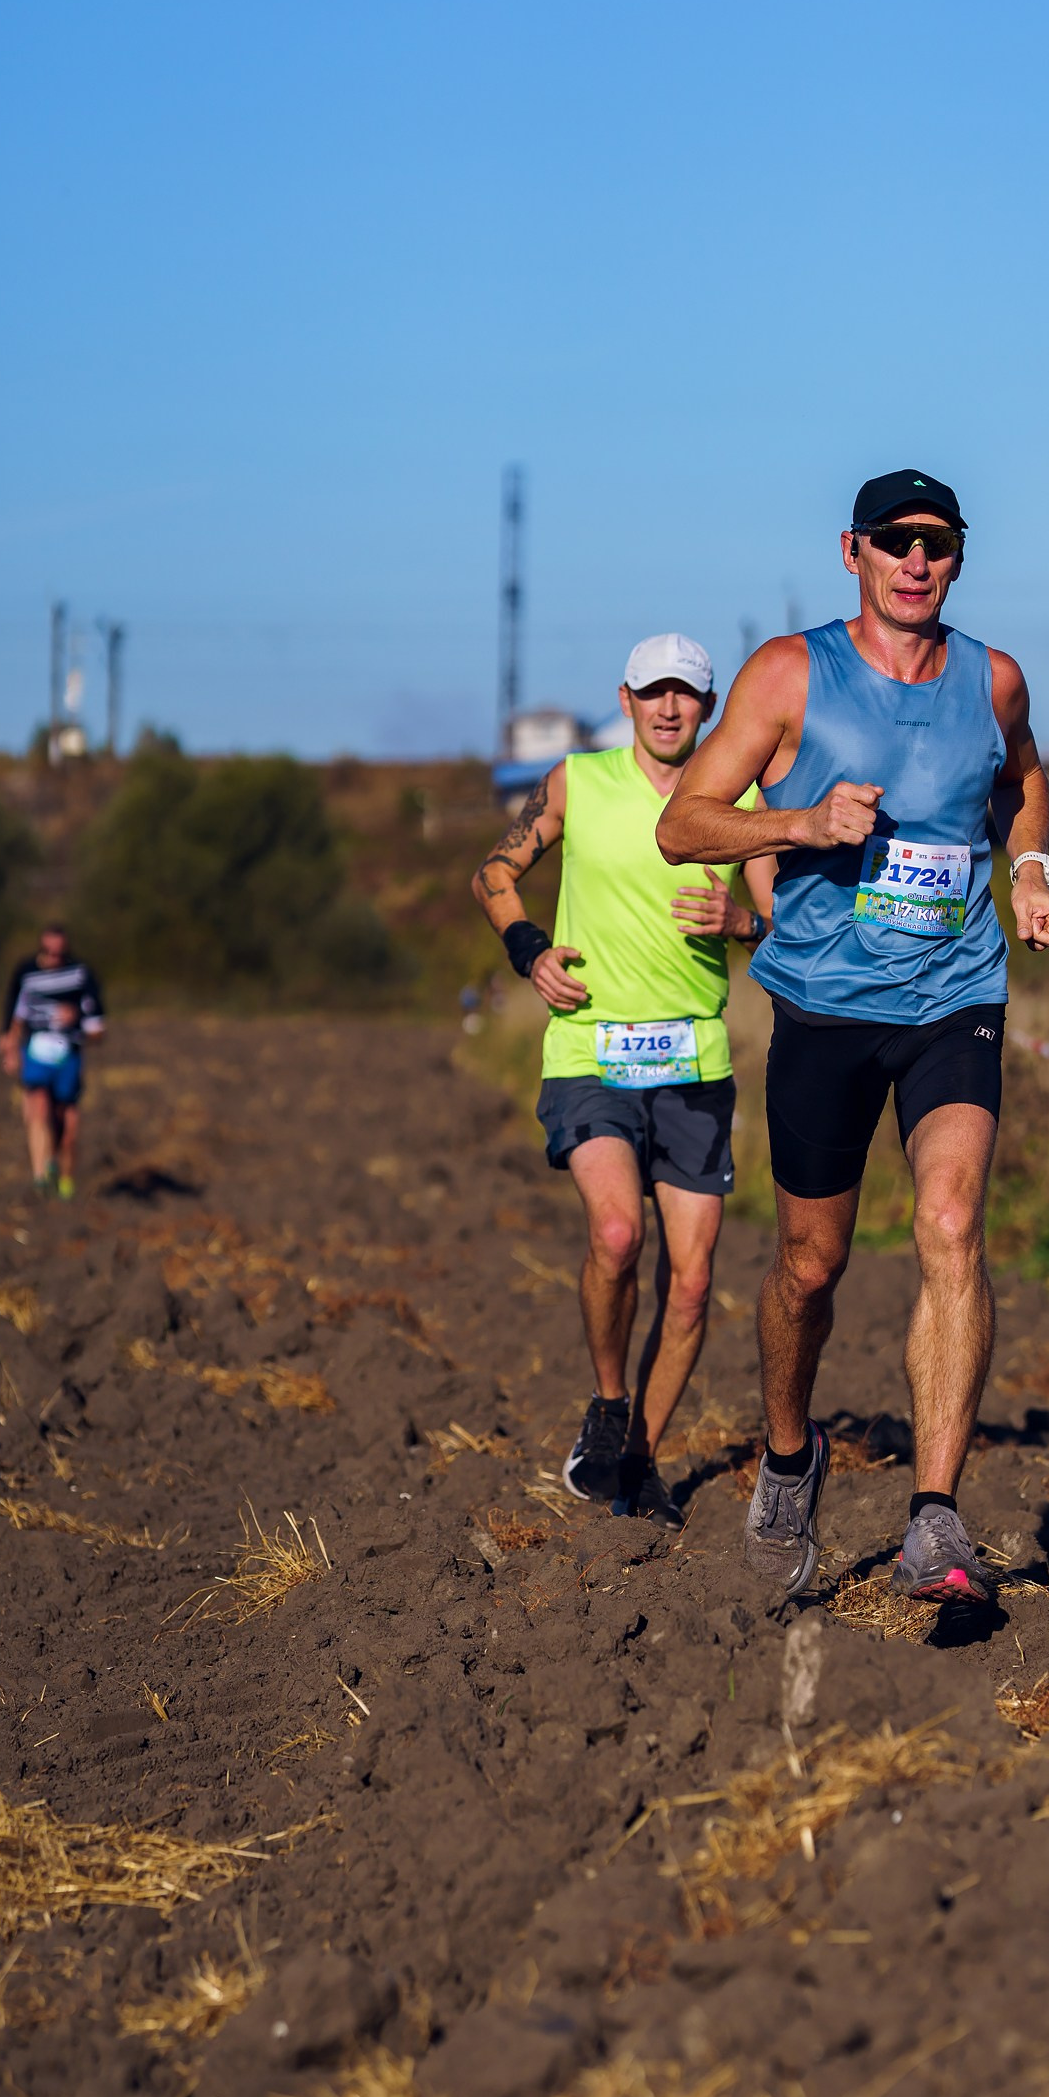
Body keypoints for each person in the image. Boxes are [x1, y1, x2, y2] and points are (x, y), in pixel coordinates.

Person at [660, 468, 1049, 1606]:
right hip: (824, 1006)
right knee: (809, 1265)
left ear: (957, 557)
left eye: (936, 543)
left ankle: (934, 1521)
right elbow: (680, 824)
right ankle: (789, 1455)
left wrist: (1028, 874)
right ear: (853, 552)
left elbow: (1023, 783)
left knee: (949, 1225)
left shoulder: (992, 680)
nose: (914, 561)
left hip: (953, 995)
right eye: (893, 541)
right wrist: (802, 820)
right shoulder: (790, 673)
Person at [472, 634, 774, 1525]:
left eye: (686, 695)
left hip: (694, 1060)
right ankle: (609, 1402)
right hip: (589, 1050)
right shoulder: (577, 780)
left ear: (709, 707)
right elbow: (493, 872)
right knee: (614, 1235)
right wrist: (528, 950)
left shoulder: (742, 798)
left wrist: (740, 920)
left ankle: (638, 1459)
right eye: (653, 693)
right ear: (628, 698)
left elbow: (784, 921)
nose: (669, 709)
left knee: (691, 1282)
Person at [0, 924, 107, 1199]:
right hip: (35, 1051)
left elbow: (98, 1030)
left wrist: (77, 1019)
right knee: (37, 1107)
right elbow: (13, 1016)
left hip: (68, 1053)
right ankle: (40, 1175)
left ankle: (63, 1178)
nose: (53, 958)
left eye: (60, 953)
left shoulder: (81, 974)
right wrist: (9, 1049)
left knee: (66, 1123)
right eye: (48, 952)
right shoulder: (25, 972)